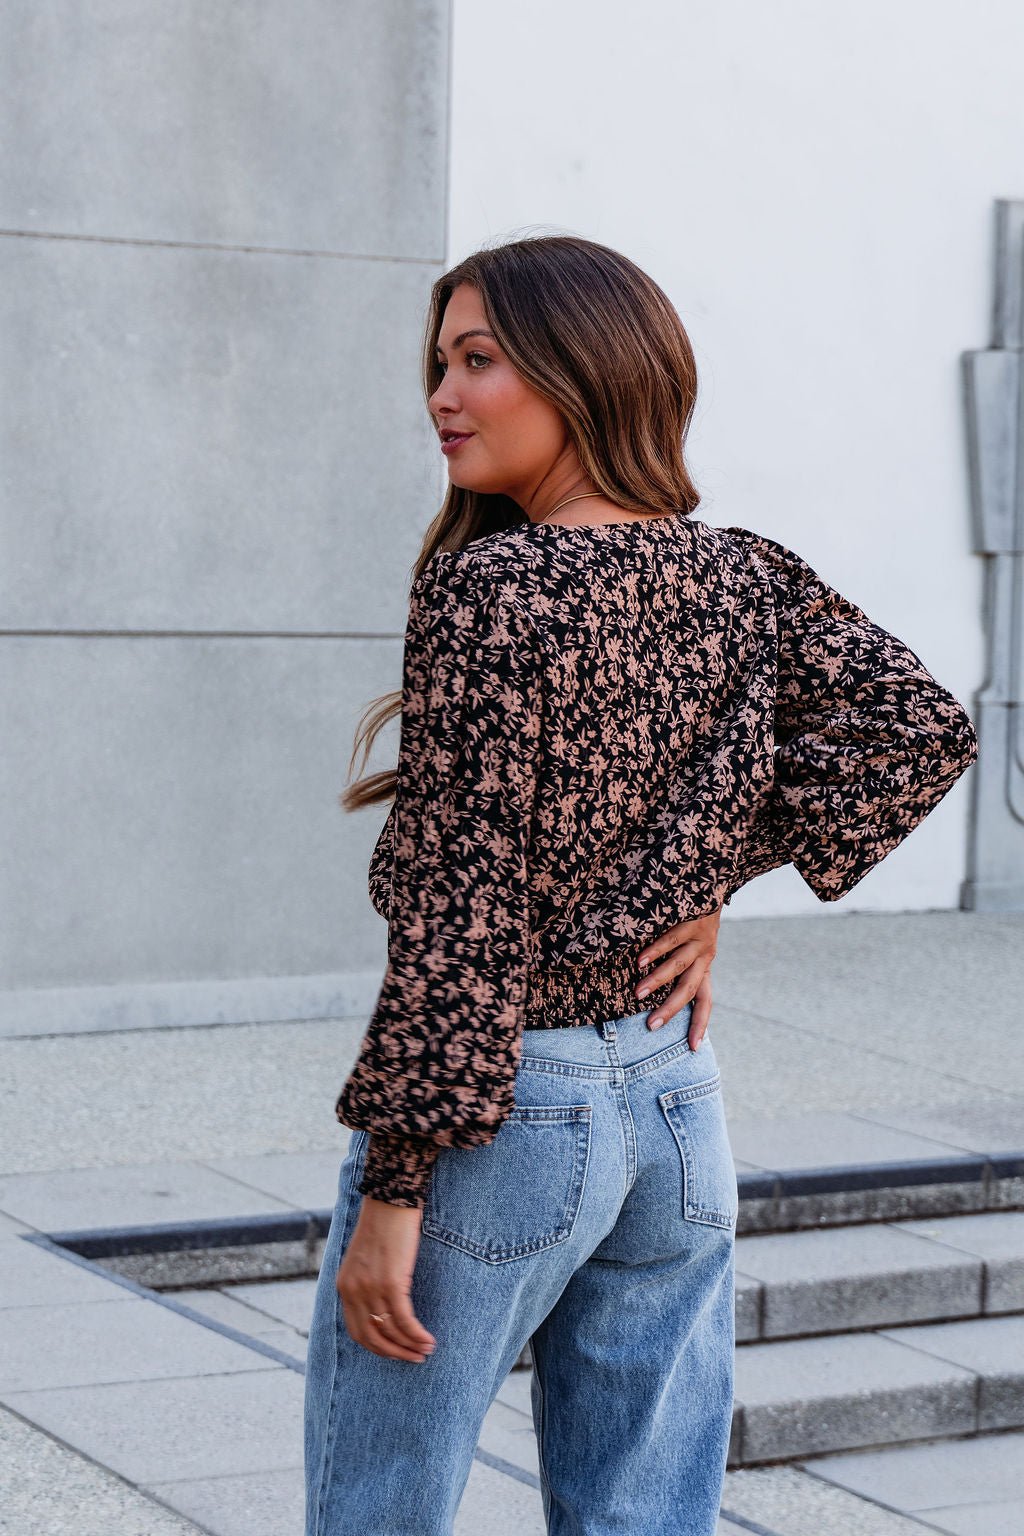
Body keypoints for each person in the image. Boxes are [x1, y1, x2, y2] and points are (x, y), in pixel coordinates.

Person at [303, 234, 979, 1535]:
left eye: (479, 360)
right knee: (644, 1515)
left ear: (586, 371)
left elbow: (462, 910)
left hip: (505, 1118)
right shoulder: (741, 574)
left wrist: (396, 1187)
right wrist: (698, 875)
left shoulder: (493, 588)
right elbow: (919, 728)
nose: (442, 395)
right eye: (438, 364)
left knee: (380, 1506)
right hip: (674, 1104)